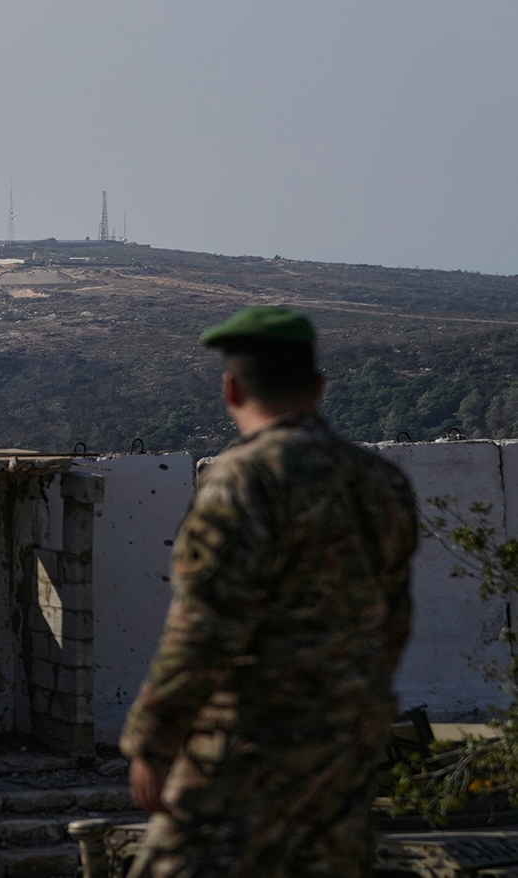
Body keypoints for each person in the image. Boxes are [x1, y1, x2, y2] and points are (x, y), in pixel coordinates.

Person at [119, 307, 418, 878]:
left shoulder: (243, 479)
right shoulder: (381, 480)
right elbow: (393, 620)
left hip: (254, 742)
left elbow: (206, 623)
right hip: (347, 741)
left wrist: (153, 741)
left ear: (231, 388)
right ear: (318, 387)